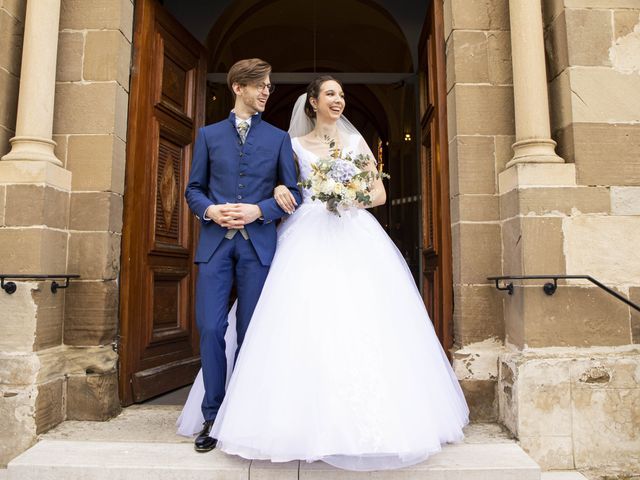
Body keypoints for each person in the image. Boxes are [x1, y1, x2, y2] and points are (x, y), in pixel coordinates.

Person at [178, 75, 469, 471]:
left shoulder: (356, 142)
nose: (339, 100)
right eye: (331, 94)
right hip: (306, 232)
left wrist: (348, 196)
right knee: (295, 318)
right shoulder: (292, 145)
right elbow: (287, 190)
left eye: (343, 94)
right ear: (312, 102)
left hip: (353, 230)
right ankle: (268, 416)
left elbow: (379, 193)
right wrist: (282, 198)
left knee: (361, 318)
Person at [183, 58, 301, 452]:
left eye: (269, 85)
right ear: (238, 88)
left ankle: (247, 415)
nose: (267, 91)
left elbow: (294, 194)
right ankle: (213, 415)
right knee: (213, 328)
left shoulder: (279, 138)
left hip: (259, 248)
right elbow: (193, 189)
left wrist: (260, 210)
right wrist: (210, 210)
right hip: (215, 246)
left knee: (253, 335)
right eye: (260, 85)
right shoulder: (208, 135)